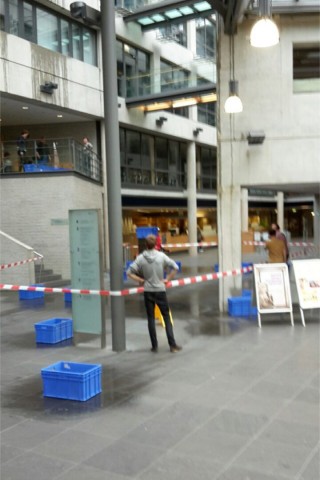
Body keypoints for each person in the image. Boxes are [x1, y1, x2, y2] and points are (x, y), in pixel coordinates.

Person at [127, 234, 182, 353]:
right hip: (160, 290)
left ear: (145, 245)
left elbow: (129, 272)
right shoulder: (161, 256)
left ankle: (154, 346)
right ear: (156, 244)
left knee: (151, 318)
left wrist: (141, 280)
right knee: (166, 317)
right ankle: (172, 345)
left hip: (148, 291)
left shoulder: (141, 258)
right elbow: (175, 267)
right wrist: (168, 279)